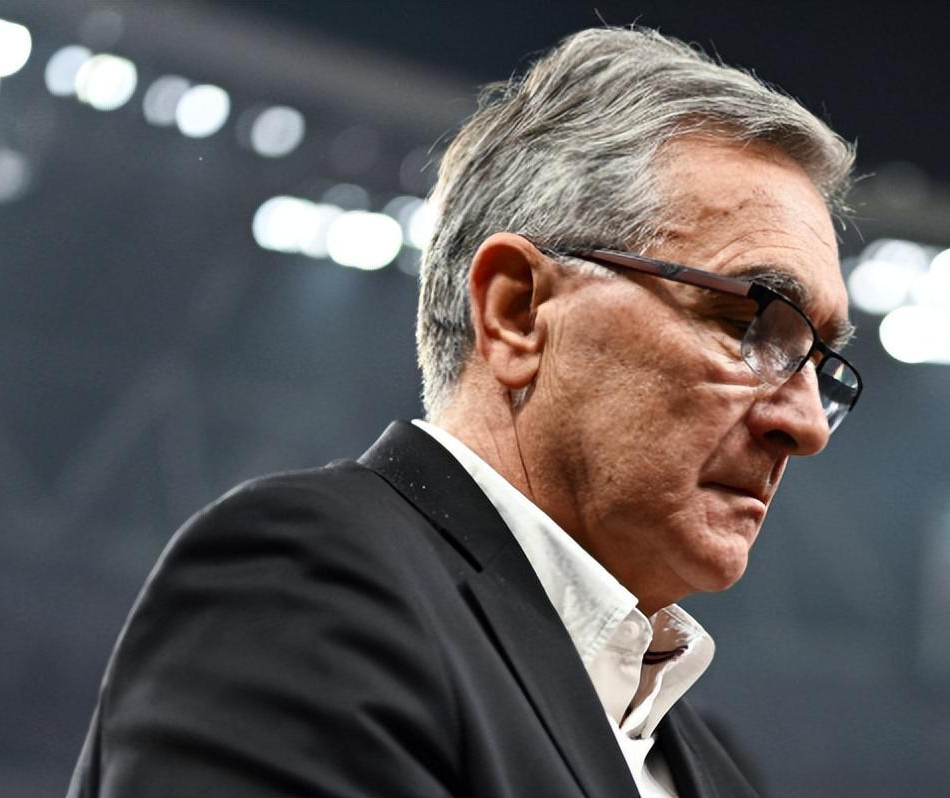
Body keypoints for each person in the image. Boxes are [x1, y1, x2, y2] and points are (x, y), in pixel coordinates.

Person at [68, 25, 861, 798]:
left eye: (819, 361)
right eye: (749, 323)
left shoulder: (714, 768)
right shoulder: (303, 588)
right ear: (517, 312)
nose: (807, 425)